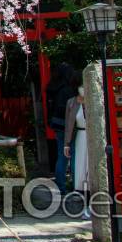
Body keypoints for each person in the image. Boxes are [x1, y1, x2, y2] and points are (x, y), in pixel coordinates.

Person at [46, 63, 78, 193]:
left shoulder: (52, 87)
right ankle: (76, 184)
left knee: (61, 155)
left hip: (57, 124)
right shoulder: (69, 89)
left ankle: (61, 186)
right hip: (70, 125)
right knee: (75, 154)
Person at [64, 86, 90, 218]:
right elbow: (69, 125)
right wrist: (66, 144)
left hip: (94, 137)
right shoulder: (72, 102)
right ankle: (85, 205)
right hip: (80, 137)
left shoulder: (94, 99)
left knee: (91, 170)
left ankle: (93, 205)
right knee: (80, 171)